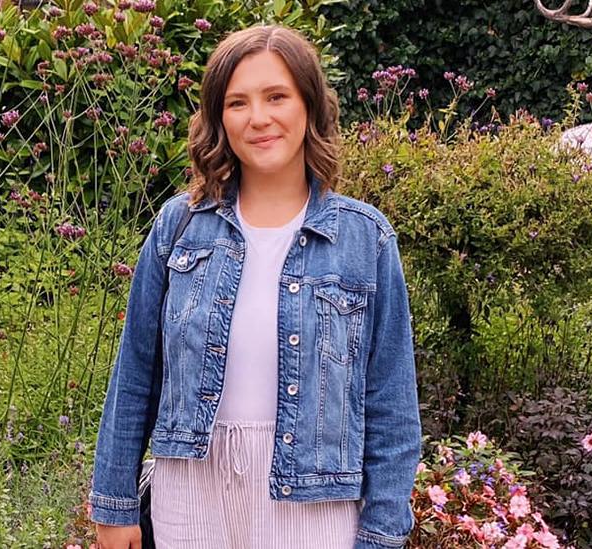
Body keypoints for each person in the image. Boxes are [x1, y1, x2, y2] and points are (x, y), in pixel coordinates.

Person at [89, 24, 421, 549]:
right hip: (191, 496)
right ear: (219, 118)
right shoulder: (179, 225)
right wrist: (113, 502)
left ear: (308, 106)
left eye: (276, 97)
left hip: (313, 505)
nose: (259, 118)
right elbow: (135, 372)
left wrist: (382, 532)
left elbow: (392, 407)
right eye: (237, 102)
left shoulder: (365, 239)